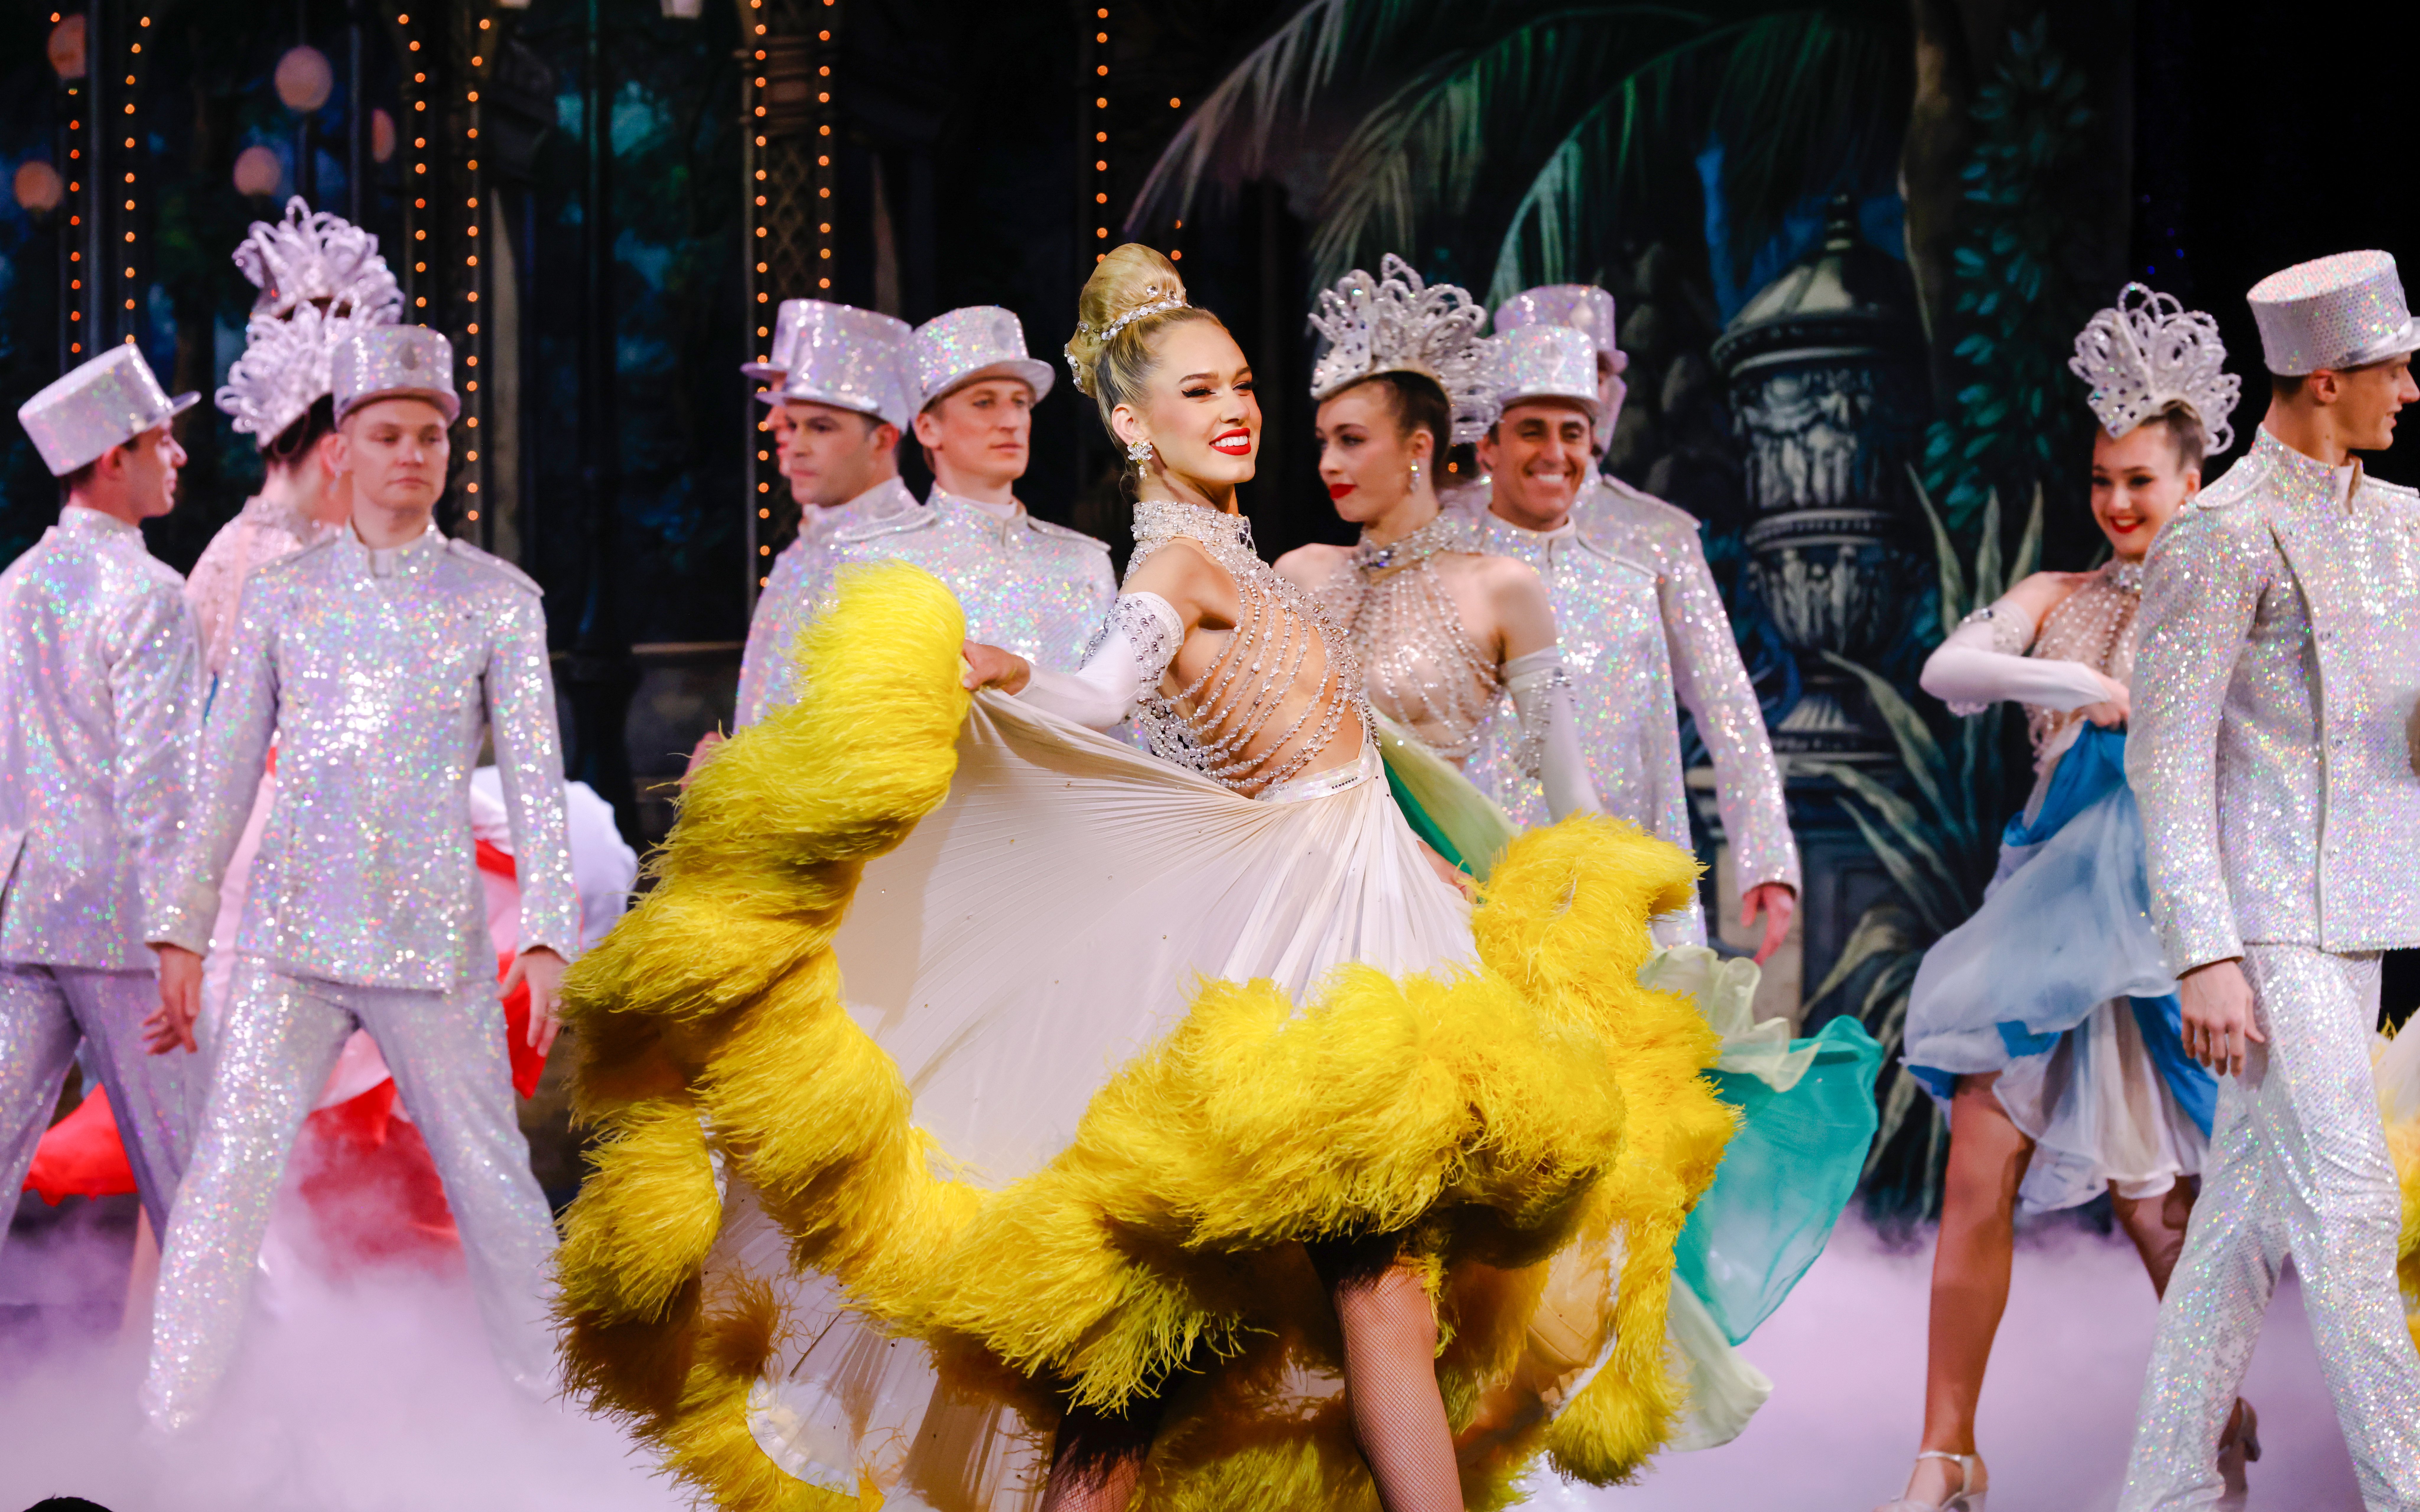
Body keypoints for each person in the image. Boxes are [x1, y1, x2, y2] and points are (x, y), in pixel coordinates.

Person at [556, 244, 1735, 1512]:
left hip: (1372, 905)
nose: (1234, 409)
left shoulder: (1272, 565)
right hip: (1292, 945)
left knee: (1350, 1298)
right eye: (1193, 392)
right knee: (1197, 1333)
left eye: (1239, 384)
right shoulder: (1173, 565)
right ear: (1131, 421)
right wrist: (1011, 673)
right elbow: (1103, 692)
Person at [140, 325, 579, 1432]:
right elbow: (227, 768)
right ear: (341, 449)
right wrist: (183, 928)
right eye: (388, 435)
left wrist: (548, 934)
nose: (413, 455)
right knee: (220, 1191)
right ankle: (166, 1434)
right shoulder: (285, 594)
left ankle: (567, 1425)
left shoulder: (497, 599)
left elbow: (537, 778)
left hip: (430, 948)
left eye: (431, 436)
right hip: (290, 942)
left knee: (500, 1196)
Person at [1877, 286, 2238, 1512]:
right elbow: (1945, 668)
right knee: (1974, 1170)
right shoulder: (2053, 592)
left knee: (2159, 1217)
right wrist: (2078, 672)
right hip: (2040, 929)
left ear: (2193, 480)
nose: (2117, 501)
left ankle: (2215, 1420)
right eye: (2101, 477)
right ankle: (1944, 1451)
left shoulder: (2226, 600)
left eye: (2138, 479)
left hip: (2162, 927)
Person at [2118, 250, 2420, 1512]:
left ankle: (2163, 1487)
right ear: (2327, 376)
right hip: (2266, 925)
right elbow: (2166, 755)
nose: (2410, 386)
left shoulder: (2405, 523)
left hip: (2361, 914)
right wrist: (2205, 948)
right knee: (2349, 1207)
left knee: (2237, 1229)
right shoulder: (2221, 531)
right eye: (2393, 365)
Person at [1477, 286, 1799, 959]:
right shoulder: (1451, 533)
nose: (1576, 386)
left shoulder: (1656, 538)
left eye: (1594, 371)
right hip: (1481, 853)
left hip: (1614, 864)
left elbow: (1724, 699)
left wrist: (1765, 855)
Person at [1274, 256, 1599, 838]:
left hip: (1435, 890)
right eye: (1324, 441)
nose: (1328, 464)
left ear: (1417, 448)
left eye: (1351, 441)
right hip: (1304, 873)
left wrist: (1634, 913)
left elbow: (1572, 798)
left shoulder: (1501, 588)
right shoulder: (1300, 575)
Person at [0, 345, 204, 1262]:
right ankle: (261, 1397)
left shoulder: (12, 587)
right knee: (198, 1180)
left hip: (23, 910)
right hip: (125, 923)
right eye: (164, 438)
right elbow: (160, 784)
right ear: (113, 458)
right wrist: (180, 935)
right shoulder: (152, 593)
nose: (180, 456)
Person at [823, 304, 1116, 674]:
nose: (1011, 421)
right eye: (984, 402)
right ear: (928, 428)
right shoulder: (875, 559)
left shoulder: (1084, 562)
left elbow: (1116, 721)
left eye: (1020, 403)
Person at [732, 301, 923, 728]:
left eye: (820, 427)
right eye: (792, 425)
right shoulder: (800, 554)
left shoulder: (910, 555)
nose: (795, 445)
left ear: (883, 439)